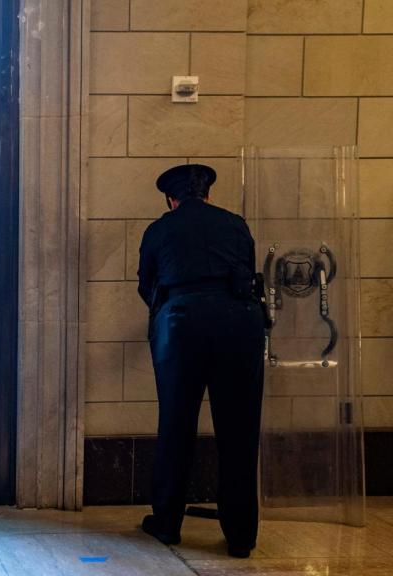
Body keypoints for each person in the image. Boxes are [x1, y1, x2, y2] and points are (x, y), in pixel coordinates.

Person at [137, 164, 266, 558]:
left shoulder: (160, 229)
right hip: (239, 325)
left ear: (171, 199)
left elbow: (147, 284)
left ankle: (167, 523)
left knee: (176, 423)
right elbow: (247, 269)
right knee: (239, 431)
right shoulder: (235, 223)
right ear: (207, 194)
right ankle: (241, 535)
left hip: (181, 325)